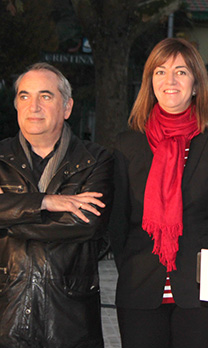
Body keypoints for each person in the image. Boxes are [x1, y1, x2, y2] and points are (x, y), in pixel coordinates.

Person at [110, 38, 208, 348]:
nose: (169, 80)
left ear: (196, 84)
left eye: (181, 72)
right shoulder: (127, 144)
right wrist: (135, 267)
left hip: (202, 293)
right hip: (140, 289)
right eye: (160, 71)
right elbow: (118, 225)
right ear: (150, 83)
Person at [0, 63, 113, 347]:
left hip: (69, 321)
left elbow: (86, 223)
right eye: (24, 96)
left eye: (45, 96)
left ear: (67, 107)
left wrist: (9, 216)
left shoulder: (96, 160)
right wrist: (46, 202)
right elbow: (64, 220)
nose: (33, 106)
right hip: (7, 313)